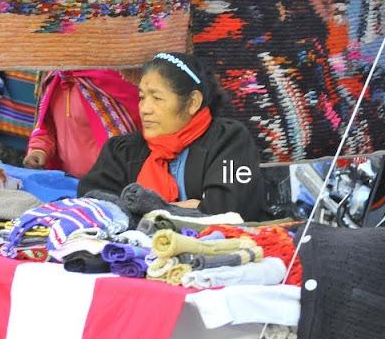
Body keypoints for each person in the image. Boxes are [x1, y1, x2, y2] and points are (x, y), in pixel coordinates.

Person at [77, 52, 265, 221]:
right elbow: (93, 206)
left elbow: (227, 212)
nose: (145, 109)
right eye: (142, 97)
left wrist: (146, 210)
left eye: (157, 98)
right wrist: (190, 207)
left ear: (192, 102)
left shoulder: (229, 141)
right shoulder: (122, 151)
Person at [23, 69, 141, 179]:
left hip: (106, 183)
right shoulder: (54, 78)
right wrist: (39, 150)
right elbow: (47, 125)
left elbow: (125, 139)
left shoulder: (109, 81)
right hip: (66, 182)